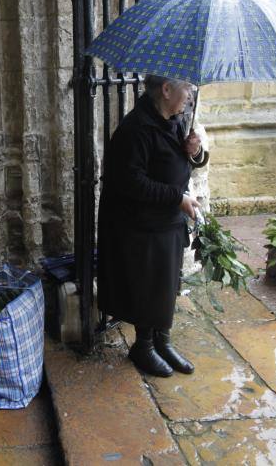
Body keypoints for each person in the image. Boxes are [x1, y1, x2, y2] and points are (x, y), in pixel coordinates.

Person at [97, 75, 207, 378]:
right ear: (166, 90)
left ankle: (162, 340)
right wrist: (177, 197)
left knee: (167, 283)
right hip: (142, 224)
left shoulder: (174, 120)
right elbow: (132, 181)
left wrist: (194, 151)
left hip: (167, 221)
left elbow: (188, 161)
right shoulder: (136, 129)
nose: (190, 95)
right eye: (186, 88)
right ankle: (143, 346)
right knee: (149, 286)